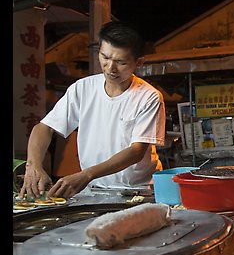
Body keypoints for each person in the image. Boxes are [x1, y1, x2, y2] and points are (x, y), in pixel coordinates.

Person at [20, 20, 166, 199]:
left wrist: (86, 174)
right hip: (93, 190)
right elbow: (45, 127)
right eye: (105, 57)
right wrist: (33, 166)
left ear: (139, 62)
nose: (110, 68)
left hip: (137, 191)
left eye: (120, 62)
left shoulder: (149, 97)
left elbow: (136, 151)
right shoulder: (82, 88)